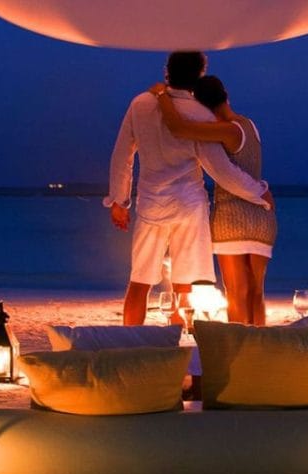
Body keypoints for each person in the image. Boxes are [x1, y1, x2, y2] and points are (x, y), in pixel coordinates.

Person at [106, 52, 274, 326]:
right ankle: (177, 339)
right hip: (189, 205)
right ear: (199, 75)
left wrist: (119, 200)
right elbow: (220, 169)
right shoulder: (199, 113)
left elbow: (122, 154)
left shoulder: (140, 104)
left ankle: (130, 341)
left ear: (167, 71)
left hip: (151, 203)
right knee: (183, 286)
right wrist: (257, 191)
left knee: (139, 281)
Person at [149, 76, 276, 325]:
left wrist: (162, 96)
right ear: (225, 95)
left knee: (236, 292)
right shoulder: (249, 125)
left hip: (232, 217)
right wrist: (261, 191)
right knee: (256, 292)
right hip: (263, 218)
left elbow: (178, 128)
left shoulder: (226, 130)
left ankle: (240, 346)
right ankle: (259, 342)